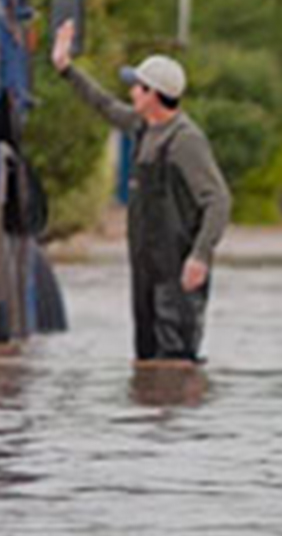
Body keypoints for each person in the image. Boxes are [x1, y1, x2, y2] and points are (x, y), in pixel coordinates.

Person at [50, 21, 231, 363]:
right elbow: (102, 103)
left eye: (137, 87)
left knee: (175, 364)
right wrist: (65, 68)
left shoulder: (185, 140)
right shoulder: (142, 126)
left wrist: (200, 256)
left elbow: (218, 200)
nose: (131, 93)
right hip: (145, 267)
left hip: (177, 273)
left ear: (153, 94)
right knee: (147, 363)